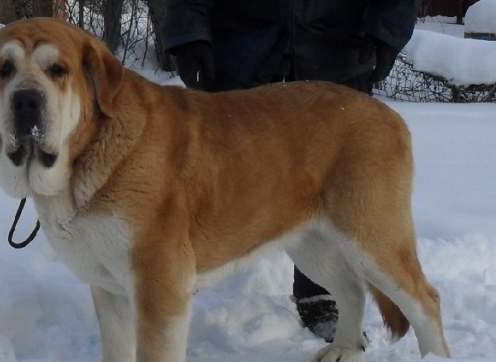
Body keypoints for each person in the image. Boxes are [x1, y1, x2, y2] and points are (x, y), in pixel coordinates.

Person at [163, 0, 420, 342]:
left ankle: (320, 291)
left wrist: (386, 30)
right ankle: (186, 272)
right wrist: (188, 34)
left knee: (332, 191)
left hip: (338, 45)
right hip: (240, 45)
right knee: (220, 178)